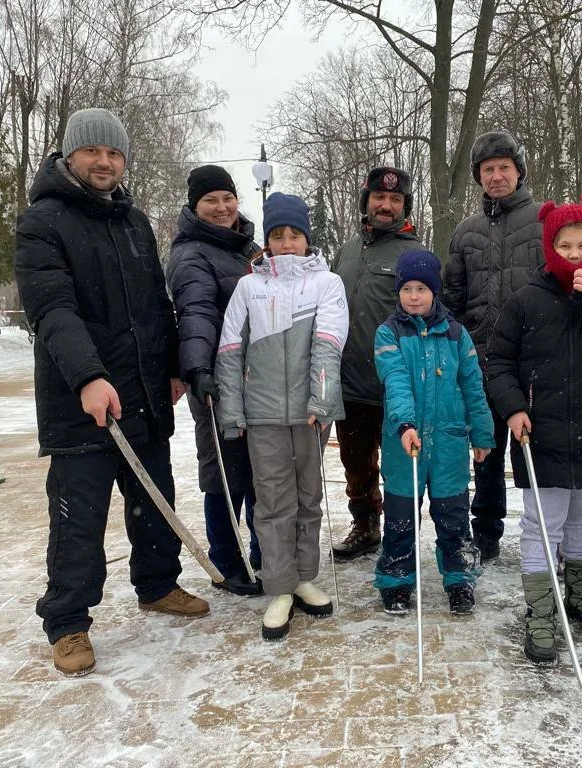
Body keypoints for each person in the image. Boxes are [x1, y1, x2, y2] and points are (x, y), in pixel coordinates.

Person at [15, 107, 207, 678]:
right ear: (70, 155)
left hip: (143, 394)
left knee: (154, 499)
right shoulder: (41, 222)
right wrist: (88, 378)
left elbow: (155, 306)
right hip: (81, 402)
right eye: (93, 152)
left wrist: (171, 365)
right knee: (79, 516)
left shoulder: (135, 223)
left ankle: (157, 585)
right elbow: (52, 310)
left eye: (114, 153)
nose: (104, 162)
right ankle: (68, 621)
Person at [486, 194, 582, 663]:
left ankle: (579, 593)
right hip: (540, 431)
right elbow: (498, 362)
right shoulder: (526, 299)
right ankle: (541, 609)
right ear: (549, 246)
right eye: (566, 245)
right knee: (542, 523)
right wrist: (514, 408)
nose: (575, 254)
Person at [215, 192, 348, 641]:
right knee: (273, 502)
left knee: (310, 498)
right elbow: (230, 350)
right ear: (267, 240)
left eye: (294, 234)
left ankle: (305, 575)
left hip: (310, 416)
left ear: (307, 238)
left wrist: (321, 401)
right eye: (277, 234)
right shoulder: (249, 287)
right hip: (264, 415)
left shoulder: (327, 283)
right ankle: (279, 587)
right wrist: (234, 410)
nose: (287, 242)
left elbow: (330, 343)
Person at [373, 250, 495, 615]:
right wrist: (405, 424)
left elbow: (473, 386)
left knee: (454, 518)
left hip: (448, 445)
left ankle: (460, 580)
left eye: (421, 288)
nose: (413, 296)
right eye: (407, 288)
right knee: (400, 518)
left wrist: (482, 434)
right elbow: (395, 381)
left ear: (435, 292)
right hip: (403, 445)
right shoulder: (388, 333)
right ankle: (396, 579)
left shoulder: (456, 335)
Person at [443, 130, 544, 562]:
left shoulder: (545, 221)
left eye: (504, 167)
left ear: (519, 171)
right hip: (483, 364)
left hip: (537, 364)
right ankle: (485, 533)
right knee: (486, 455)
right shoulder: (466, 233)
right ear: (479, 177)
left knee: (539, 457)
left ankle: (547, 535)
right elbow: (452, 300)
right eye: (488, 169)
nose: (497, 176)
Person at [166, 165, 263, 597]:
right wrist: (198, 370)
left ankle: (264, 550)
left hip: (260, 380)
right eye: (211, 200)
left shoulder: (249, 249)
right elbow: (196, 314)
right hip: (216, 380)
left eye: (228, 198)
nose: (222, 208)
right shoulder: (192, 254)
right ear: (195, 206)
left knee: (261, 469)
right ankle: (227, 560)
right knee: (225, 474)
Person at [331, 166, 421, 560]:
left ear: (404, 206)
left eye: (395, 199)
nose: (386, 206)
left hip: (395, 386)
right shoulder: (347, 250)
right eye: (378, 198)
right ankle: (365, 524)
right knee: (356, 466)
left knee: (400, 469)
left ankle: (402, 534)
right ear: (366, 201)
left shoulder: (415, 255)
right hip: (348, 385)